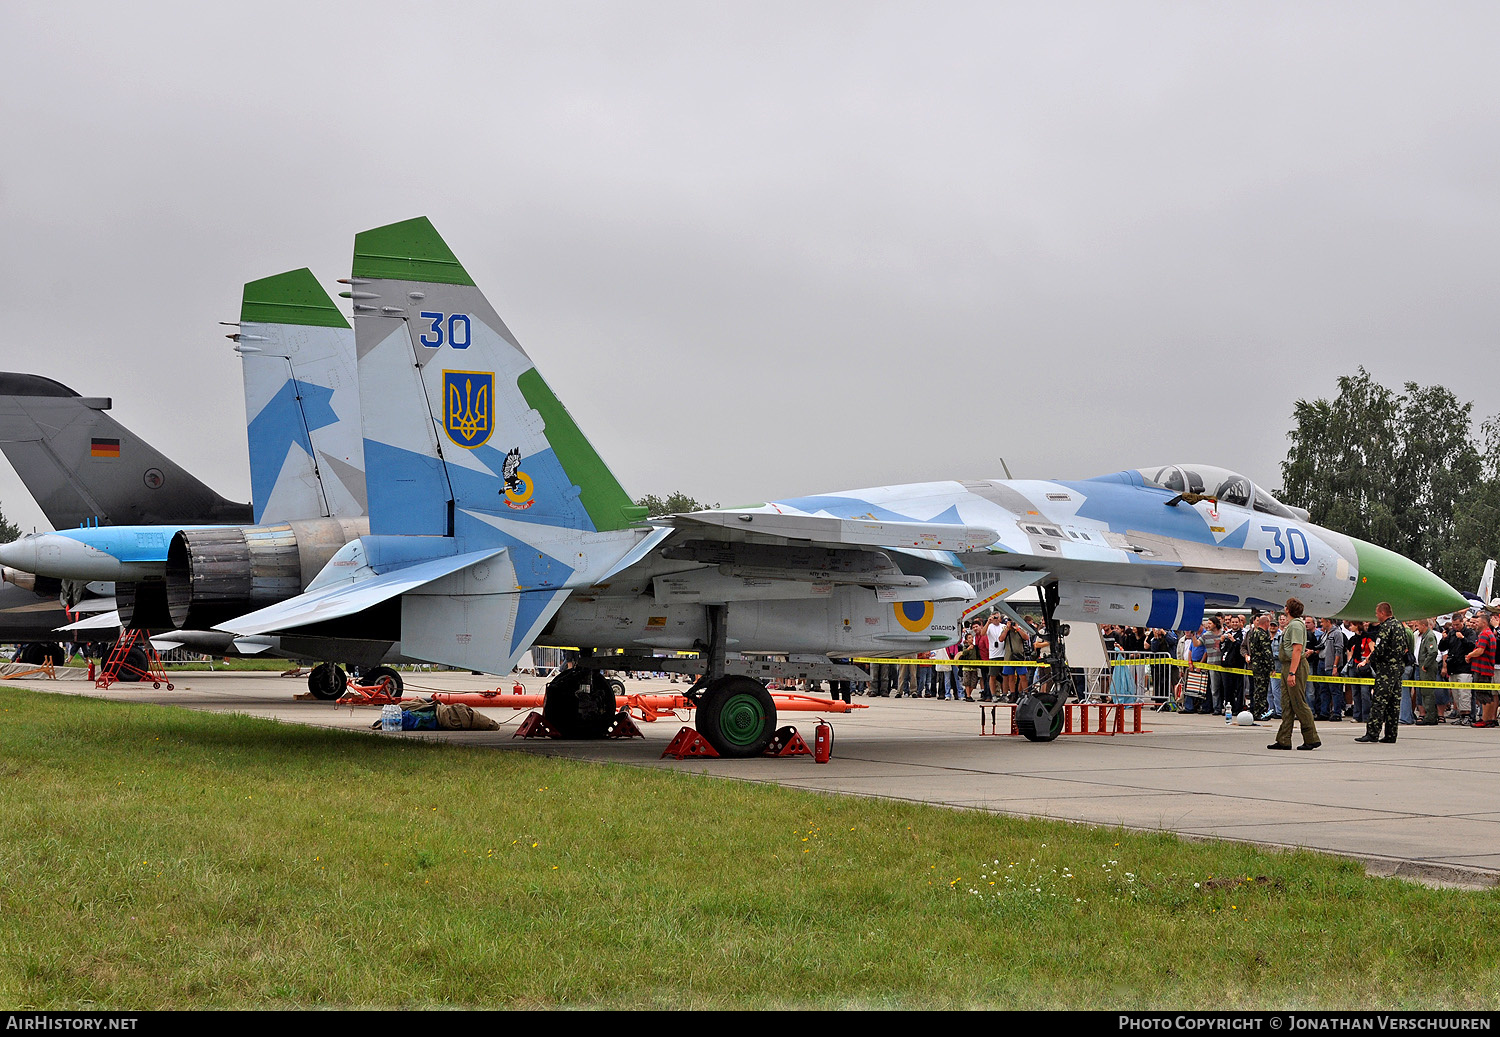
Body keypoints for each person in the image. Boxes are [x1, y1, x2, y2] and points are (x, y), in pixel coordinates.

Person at [1269, 598, 1320, 750]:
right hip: (1287, 665)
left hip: (1295, 666)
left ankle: (1311, 738)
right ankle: (1284, 739)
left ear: (1288, 610)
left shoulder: (1296, 625)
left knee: (1298, 703)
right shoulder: (1291, 625)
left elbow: (1297, 649)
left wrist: (1292, 672)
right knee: (1287, 704)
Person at [1356, 602, 1407, 743]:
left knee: (1379, 701)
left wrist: (1367, 661)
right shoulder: (1399, 625)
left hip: (1386, 670)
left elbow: (1379, 648)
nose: (1376, 616)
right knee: (1393, 703)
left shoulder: (1386, 627)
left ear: (1383, 613)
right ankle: (1391, 734)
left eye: (1377, 613)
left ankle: (1372, 733)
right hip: (1398, 668)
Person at [1245, 614, 1274, 719]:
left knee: (1258, 689)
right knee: (1262, 690)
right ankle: (1260, 713)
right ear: (1266, 623)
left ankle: (1257, 711)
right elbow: (1267, 651)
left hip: (1256, 665)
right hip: (1262, 666)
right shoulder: (1262, 634)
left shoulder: (1254, 633)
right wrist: (1272, 666)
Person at [1414, 618, 1441, 725]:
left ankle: (1430, 716)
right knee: (1424, 692)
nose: (1417, 628)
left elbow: (1433, 652)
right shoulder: (1424, 636)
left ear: (1424, 625)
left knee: (1428, 692)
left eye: (1418, 626)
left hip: (1428, 668)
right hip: (1423, 667)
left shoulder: (1429, 636)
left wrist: (1426, 664)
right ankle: (1429, 715)